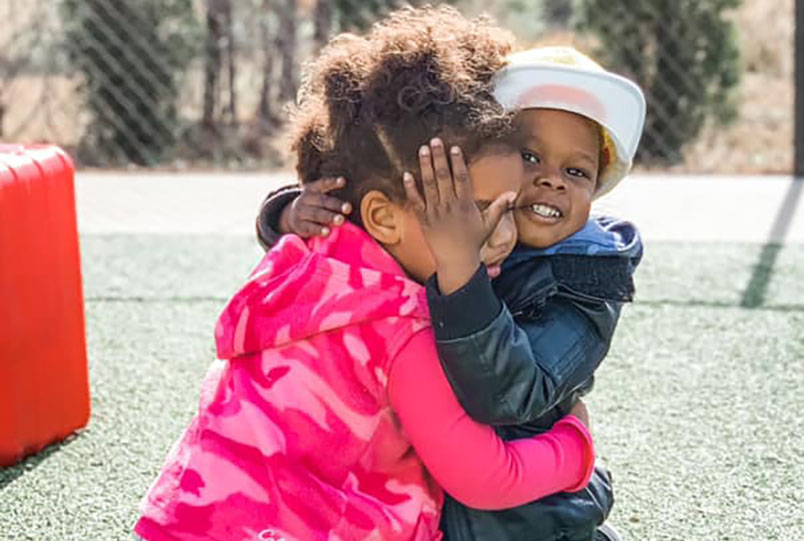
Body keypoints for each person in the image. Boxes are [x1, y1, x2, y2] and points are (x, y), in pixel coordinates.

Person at [133, 10, 597, 541]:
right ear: (382, 216)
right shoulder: (402, 331)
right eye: (475, 210)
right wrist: (573, 445)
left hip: (185, 521)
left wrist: (283, 214)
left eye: (509, 209)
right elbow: (487, 478)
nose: (502, 236)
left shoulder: (307, 252)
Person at [256, 46, 646, 541]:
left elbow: (508, 394)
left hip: (527, 516)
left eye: (578, 171)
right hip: (427, 500)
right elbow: (379, 219)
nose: (551, 179)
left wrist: (462, 270)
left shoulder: (587, 279)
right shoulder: (460, 220)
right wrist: (290, 214)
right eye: (529, 157)